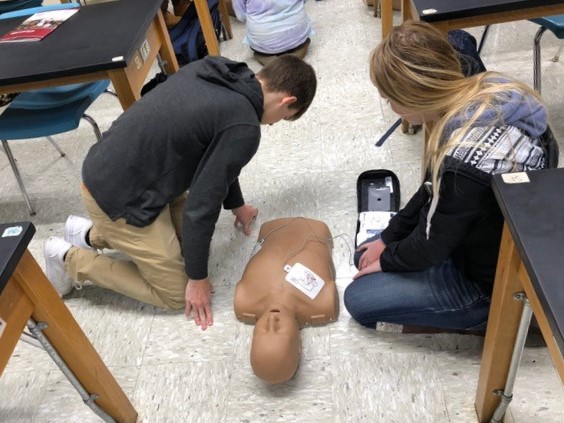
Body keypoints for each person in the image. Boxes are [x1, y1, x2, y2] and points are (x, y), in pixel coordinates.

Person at [43, 55, 317, 331]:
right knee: (176, 291)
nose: (271, 125)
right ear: (287, 102)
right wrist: (197, 279)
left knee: (191, 246)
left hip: (114, 167)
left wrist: (237, 205)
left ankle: (88, 234)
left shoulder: (222, 70)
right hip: (119, 196)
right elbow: (202, 205)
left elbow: (218, 155)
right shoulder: (245, 125)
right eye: (283, 119)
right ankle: (66, 258)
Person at [344, 20, 555, 332]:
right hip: (486, 235)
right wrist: (389, 238)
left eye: (391, 98)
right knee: (366, 253)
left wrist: (388, 260)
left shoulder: (463, 164)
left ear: (415, 96)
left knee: (360, 299)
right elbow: (432, 188)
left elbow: (433, 245)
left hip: (489, 282)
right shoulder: (484, 91)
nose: (390, 106)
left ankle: (499, 317)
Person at [234, 217, 338, 383]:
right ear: (299, 347)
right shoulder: (323, 301)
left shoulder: (244, 299)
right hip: (316, 230)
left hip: (270, 231)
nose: (272, 320)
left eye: (263, 332)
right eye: (279, 331)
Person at [231, 0, 313, 66]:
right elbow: (304, 1)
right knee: (303, 40)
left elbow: (240, 16)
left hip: (263, 40)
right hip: (298, 32)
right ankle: (296, 52)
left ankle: (267, 57)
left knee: (260, 47)